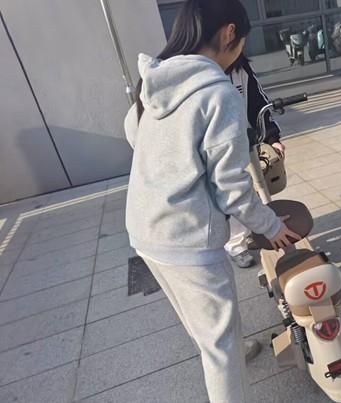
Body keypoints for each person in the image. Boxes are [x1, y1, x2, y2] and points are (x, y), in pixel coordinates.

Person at [123, 1, 301, 402]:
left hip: (145, 228)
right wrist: (271, 226)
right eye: (242, 42)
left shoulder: (156, 81)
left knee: (200, 321)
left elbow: (133, 133)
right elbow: (231, 188)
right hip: (186, 237)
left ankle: (230, 348)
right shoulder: (218, 93)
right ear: (229, 32)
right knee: (220, 350)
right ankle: (227, 357)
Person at [225, 54, 285, 268]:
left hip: (245, 139)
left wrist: (272, 138)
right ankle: (236, 245)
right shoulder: (204, 72)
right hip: (220, 148)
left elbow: (258, 102)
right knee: (232, 192)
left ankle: (262, 230)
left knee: (259, 186)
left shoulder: (240, 69)